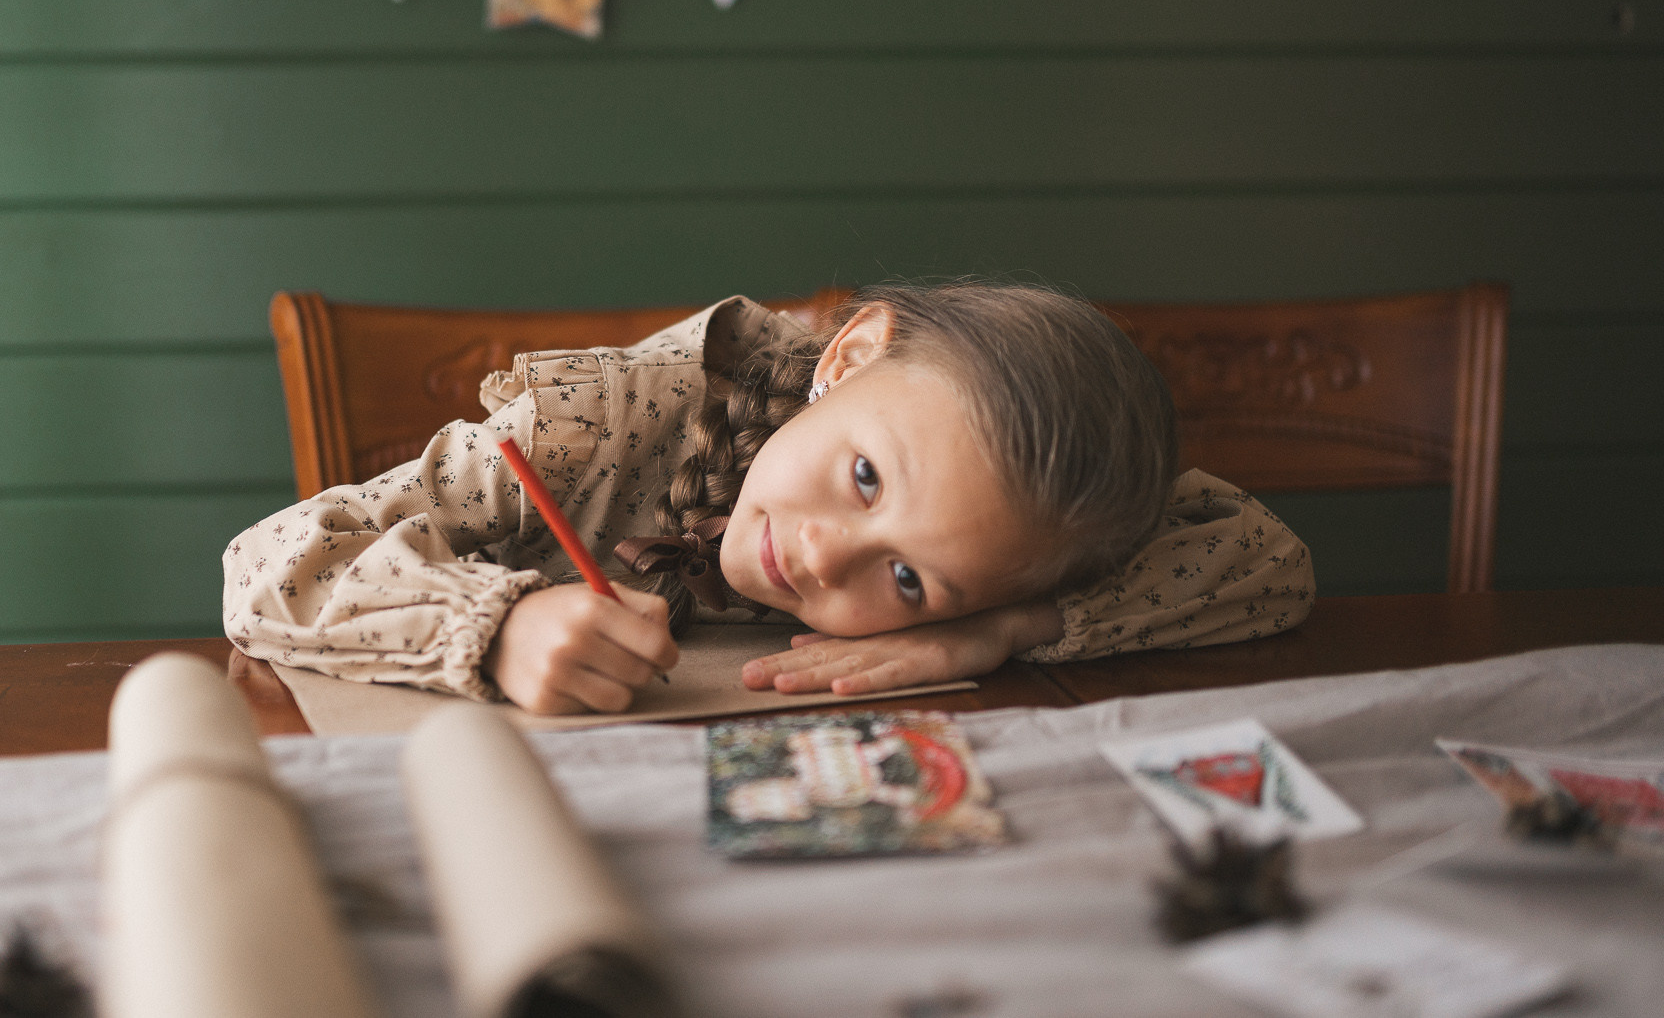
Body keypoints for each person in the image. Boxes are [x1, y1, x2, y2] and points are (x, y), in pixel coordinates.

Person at [223, 286, 1313, 714]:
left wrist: (997, 629)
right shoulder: (595, 424)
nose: (825, 558)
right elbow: (268, 561)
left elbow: (1268, 561)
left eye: (907, 577)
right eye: (865, 478)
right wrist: (497, 626)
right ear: (849, 357)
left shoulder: (1020, 545)